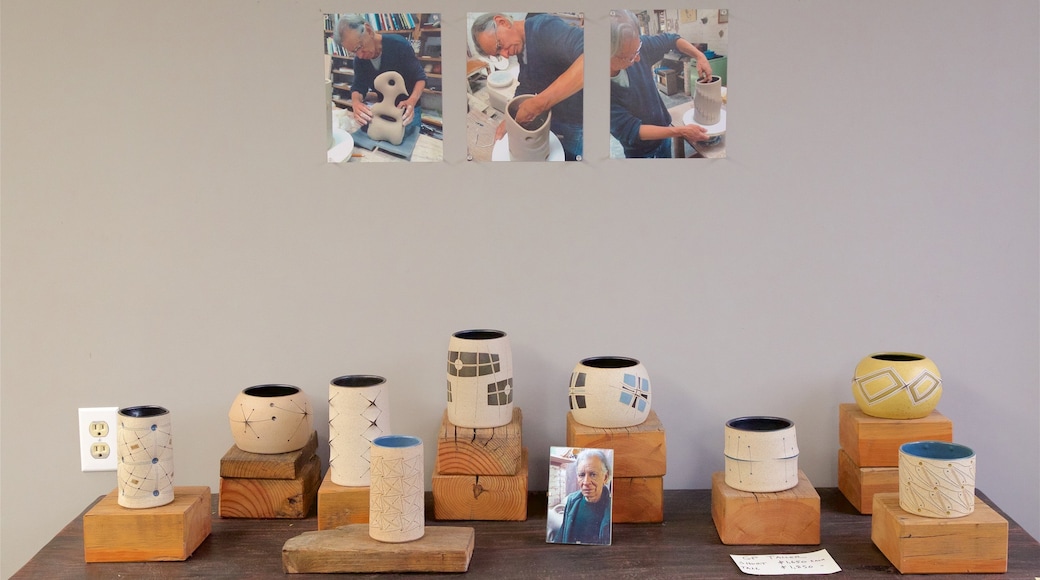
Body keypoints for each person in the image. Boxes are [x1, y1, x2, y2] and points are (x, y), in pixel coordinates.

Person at [471, 13, 584, 160]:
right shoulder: (521, 45)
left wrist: (540, 103)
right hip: (553, 114)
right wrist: (511, 119)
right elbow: (527, 83)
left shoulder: (544, 28)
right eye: (498, 54)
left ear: (502, 22)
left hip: (576, 119)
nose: (505, 55)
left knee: (569, 158)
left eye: (500, 46)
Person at [609, 10, 712, 158]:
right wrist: (680, 131)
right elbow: (631, 130)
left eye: (637, 49)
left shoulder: (636, 45)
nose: (638, 59)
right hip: (639, 150)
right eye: (630, 56)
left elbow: (671, 39)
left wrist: (699, 55)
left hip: (663, 136)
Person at [335, 14, 426, 133]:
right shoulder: (360, 60)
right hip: (384, 109)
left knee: (407, 143)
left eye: (359, 47)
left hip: (407, 109)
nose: (360, 55)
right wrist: (356, 103)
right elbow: (358, 86)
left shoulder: (399, 45)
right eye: (354, 52)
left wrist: (412, 101)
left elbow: (420, 78)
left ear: (368, 30)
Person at [555, 449, 612, 544]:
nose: (586, 482)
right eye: (581, 475)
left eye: (593, 474)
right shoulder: (572, 501)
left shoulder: (611, 508)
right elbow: (562, 534)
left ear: (605, 477)